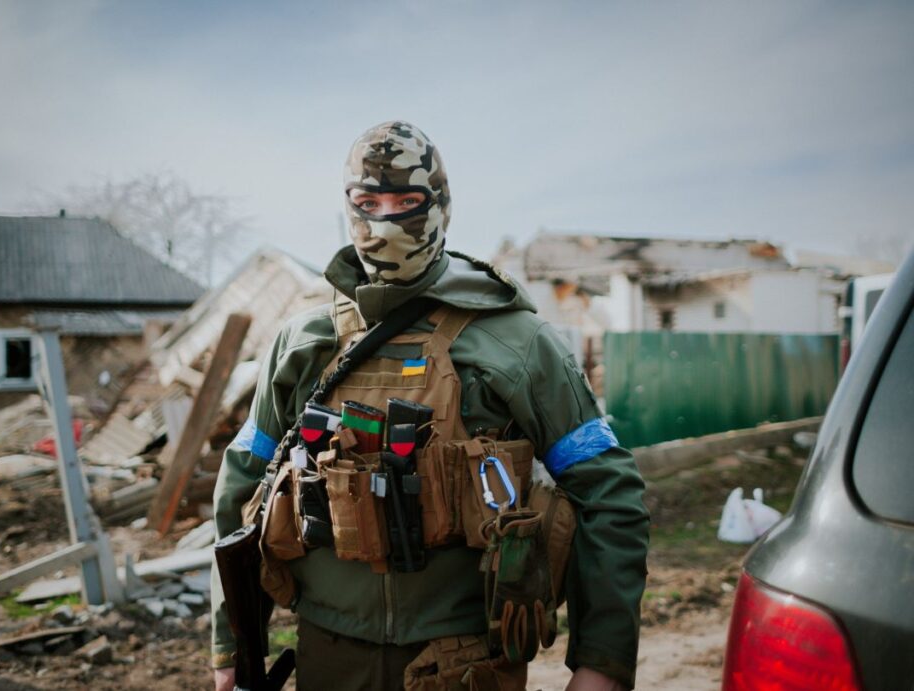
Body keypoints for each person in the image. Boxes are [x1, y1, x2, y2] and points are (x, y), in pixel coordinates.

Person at [212, 121, 649, 691]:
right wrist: (231, 647)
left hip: (467, 659)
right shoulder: (305, 342)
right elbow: (242, 486)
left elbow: (608, 490)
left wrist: (601, 663)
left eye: (407, 202)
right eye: (368, 202)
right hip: (328, 652)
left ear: (440, 206)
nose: (385, 220)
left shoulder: (516, 342)